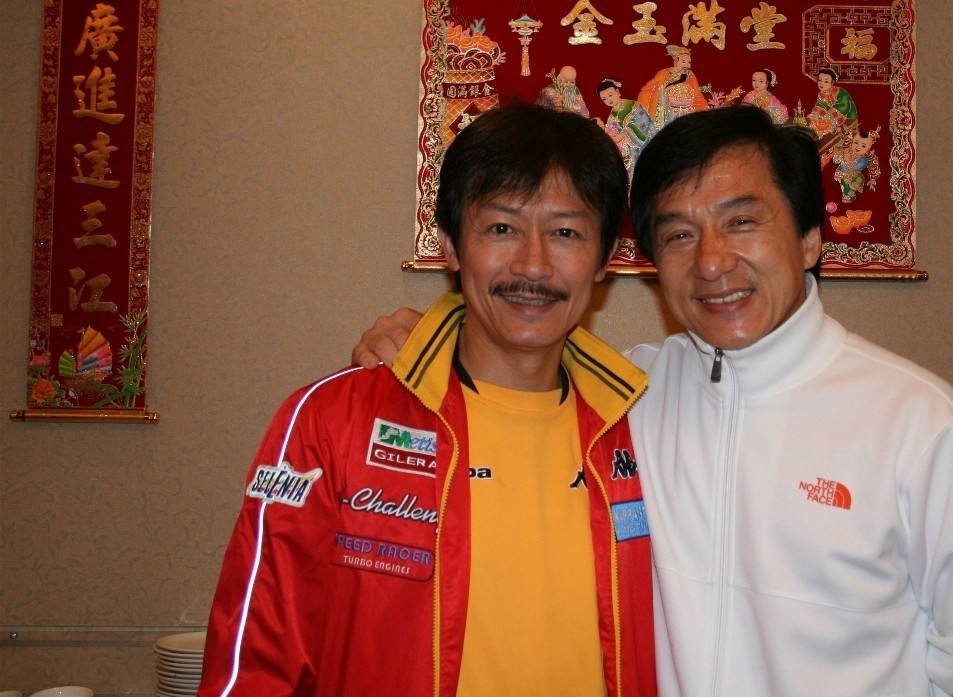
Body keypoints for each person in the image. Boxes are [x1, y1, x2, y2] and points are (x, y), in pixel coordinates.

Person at [354, 106, 953, 696]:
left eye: (742, 222)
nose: (712, 261)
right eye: (679, 235)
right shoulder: (631, 395)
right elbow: (518, 351)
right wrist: (424, 335)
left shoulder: (923, 425)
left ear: (811, 238)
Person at [201, 104, 657, 697]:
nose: (533, 264)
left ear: (605, 259)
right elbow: (256, 660)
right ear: (449, 245)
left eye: (565, 233)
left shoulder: (646, 431)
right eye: (501, 228)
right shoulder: (331, 420)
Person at [636, 45, 709, 129]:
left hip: (688, 112)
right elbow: (649, 89)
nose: (687, 66)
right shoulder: (663, 73)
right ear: (675, 61)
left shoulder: (691, 75)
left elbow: (697, 95)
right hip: (669, 112)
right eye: (683, 62)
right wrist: (663, 91)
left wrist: (703, 110)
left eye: (689, 63)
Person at [596, 78, 656, 179]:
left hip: (640, 145)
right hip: (625, 150)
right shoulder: (612, 116)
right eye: (604, 99)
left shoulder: (633, 105)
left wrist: (625, 134)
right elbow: (611, 133)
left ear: (618, 92)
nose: (609, 100)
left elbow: (644, 122)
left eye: (610, 95)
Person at [807, 67, 858, 140]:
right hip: (830, 120)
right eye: (820, 80)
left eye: (826, 81)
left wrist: (827, 117)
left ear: (832, 82)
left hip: (847, 120)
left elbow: (843, 108)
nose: (821, 83)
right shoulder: (821, 94)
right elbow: (820, 106)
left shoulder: (840, 92)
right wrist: (815, 115)